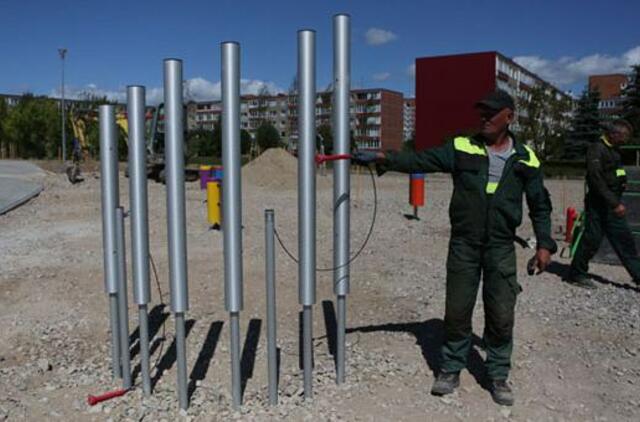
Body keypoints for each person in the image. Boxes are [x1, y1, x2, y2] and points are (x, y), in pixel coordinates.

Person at [353, 89, 556, 406]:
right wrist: (385, 158)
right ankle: (450, 368)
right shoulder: (462, 147)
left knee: (501, 312)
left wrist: (545, 244)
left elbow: (540, 205)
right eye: (482, 112)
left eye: (492, 112)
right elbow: (421, 158)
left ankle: (498, 373)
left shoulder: (526, 159)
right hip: (464, 244)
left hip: (501, 246)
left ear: (509, 116)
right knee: (458, 309)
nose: (484, 117)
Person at [567, 119, 640, 288]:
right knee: (591, 240)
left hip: (611, 204)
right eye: (624, 136)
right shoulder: (597, 149)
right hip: (599, 204)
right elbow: (596, 179)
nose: (626, 140)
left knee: (625, 241)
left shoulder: (614, 150)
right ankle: (577, 273)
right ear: (614, 134)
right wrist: (614, 203)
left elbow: (614, 173)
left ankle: (638, 276)